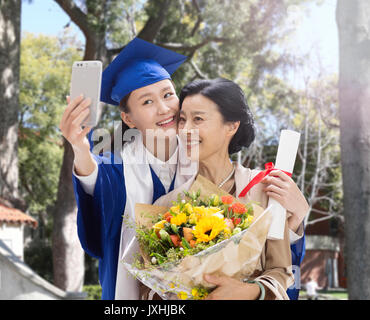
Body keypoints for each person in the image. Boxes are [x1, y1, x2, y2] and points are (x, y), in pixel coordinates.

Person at [59, 37, 196, 300]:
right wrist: (79, 146)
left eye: (168, 94)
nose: (164, 108)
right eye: (147, 102)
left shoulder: (203, 159)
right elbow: (94, 177)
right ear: (128, 118)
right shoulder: (117, 168)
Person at [154, 77, 308, 299]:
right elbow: (149, 288)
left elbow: (282, 272)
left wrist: (251, 291)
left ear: (232, 126)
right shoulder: (167, 205)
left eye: (198, 119)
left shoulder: (265, 191)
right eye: (182, 120)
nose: (186, 130)